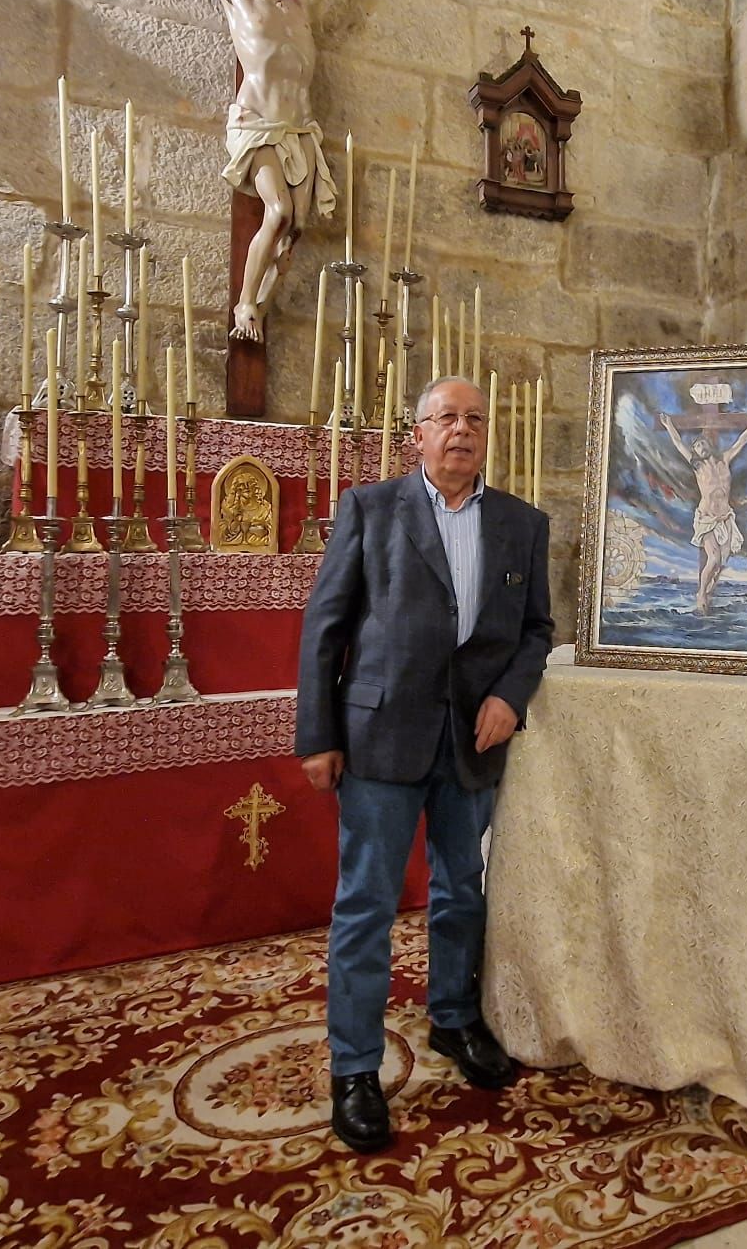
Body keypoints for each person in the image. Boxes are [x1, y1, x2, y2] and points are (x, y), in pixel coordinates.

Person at [296, 375, 553, 1154]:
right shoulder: (371, 510)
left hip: (472, 741)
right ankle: (354, 1068)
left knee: (461, 893)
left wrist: (511, 694)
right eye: (447, 418)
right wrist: (317, 734)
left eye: (476, 419)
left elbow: (536, 630)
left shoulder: (522, 524)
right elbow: (325, 626)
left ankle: (453, 1020)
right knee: (367, 905)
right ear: (418, 434)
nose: (462, 431)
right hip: (379, 738)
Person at [128, 0, 383, 342]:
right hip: (257, 122)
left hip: (300, 127)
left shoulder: (296, 1)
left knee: (300, 225)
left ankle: (259, 308)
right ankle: (244, 303)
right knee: (280, 211)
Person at [658, 410, 747, 615]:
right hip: (706, 518)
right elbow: (678, 443)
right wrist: (669, 425)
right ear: (695, 452)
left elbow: (742, 441)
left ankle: (709, 592)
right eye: (697, 446)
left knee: (722, 562)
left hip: (725, 518)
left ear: (709, 446)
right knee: (713, 558)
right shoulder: (697, 467)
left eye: (703, 444)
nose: (700, 447)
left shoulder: (724, 459)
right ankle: (701, 593)